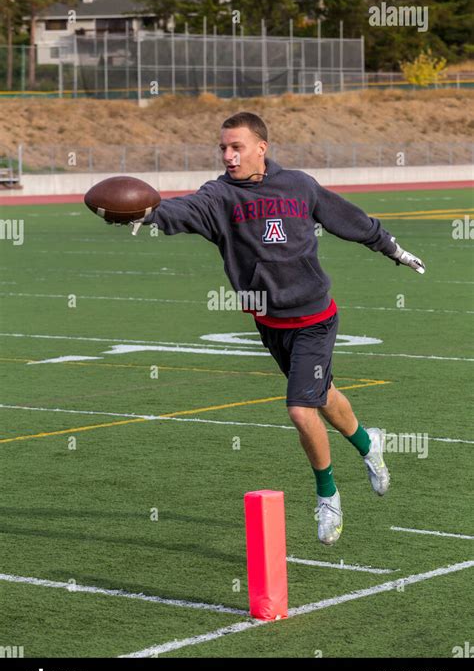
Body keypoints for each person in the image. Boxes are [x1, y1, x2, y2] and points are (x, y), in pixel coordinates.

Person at [109, 111, 425, 546]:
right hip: (270, 323)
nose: (228, 155)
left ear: (262, 147)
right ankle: (371, 448)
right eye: (222, 147)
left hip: (315, 318)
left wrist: (393, 249)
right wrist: (145, 213)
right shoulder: (219, 196)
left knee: (300, 409)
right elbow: (180, 210)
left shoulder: (299, 184)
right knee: (323, 394)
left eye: (236, 147)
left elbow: (349, 219)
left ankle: (328, 496)